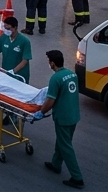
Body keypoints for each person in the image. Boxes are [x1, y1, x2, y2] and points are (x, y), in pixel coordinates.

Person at [39, 49, 85, 188]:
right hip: (74, 115)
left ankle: (77, 178)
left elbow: (50, 100)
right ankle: (56, 164)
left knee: (66, 146)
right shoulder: (72, 74)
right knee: (63, 141)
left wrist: (41, 112)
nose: (49, 64)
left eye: (49, 62)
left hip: (63, 118)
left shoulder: (55, 78)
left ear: (52, 63)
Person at [0, 14, 33, 83]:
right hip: (6, 72)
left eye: (8, 29)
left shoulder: (25, 41)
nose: (6, 30)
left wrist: (14, 71)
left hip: (20, 74)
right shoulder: (4, 37)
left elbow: (25, 60)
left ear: (15, 27)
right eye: (5, 28)